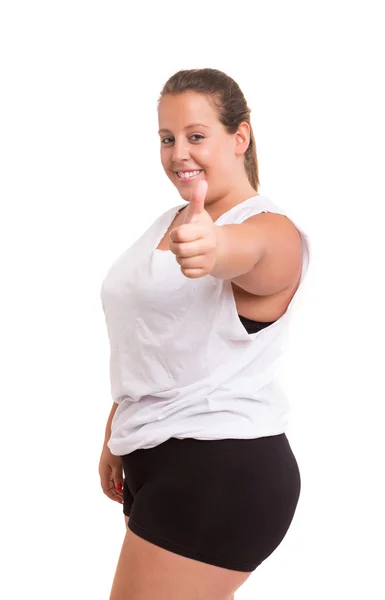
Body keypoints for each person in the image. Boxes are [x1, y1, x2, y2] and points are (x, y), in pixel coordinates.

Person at [99, 68, 311, 600]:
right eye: (167, 139)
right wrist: (117, 431)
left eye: (197, 136)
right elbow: (156, 339)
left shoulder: (268, 228)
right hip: (160, 461)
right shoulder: (167, 221)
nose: (178, 154)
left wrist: (216, 249)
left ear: (240, 137)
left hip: (221, 468)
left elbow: (252, 252)